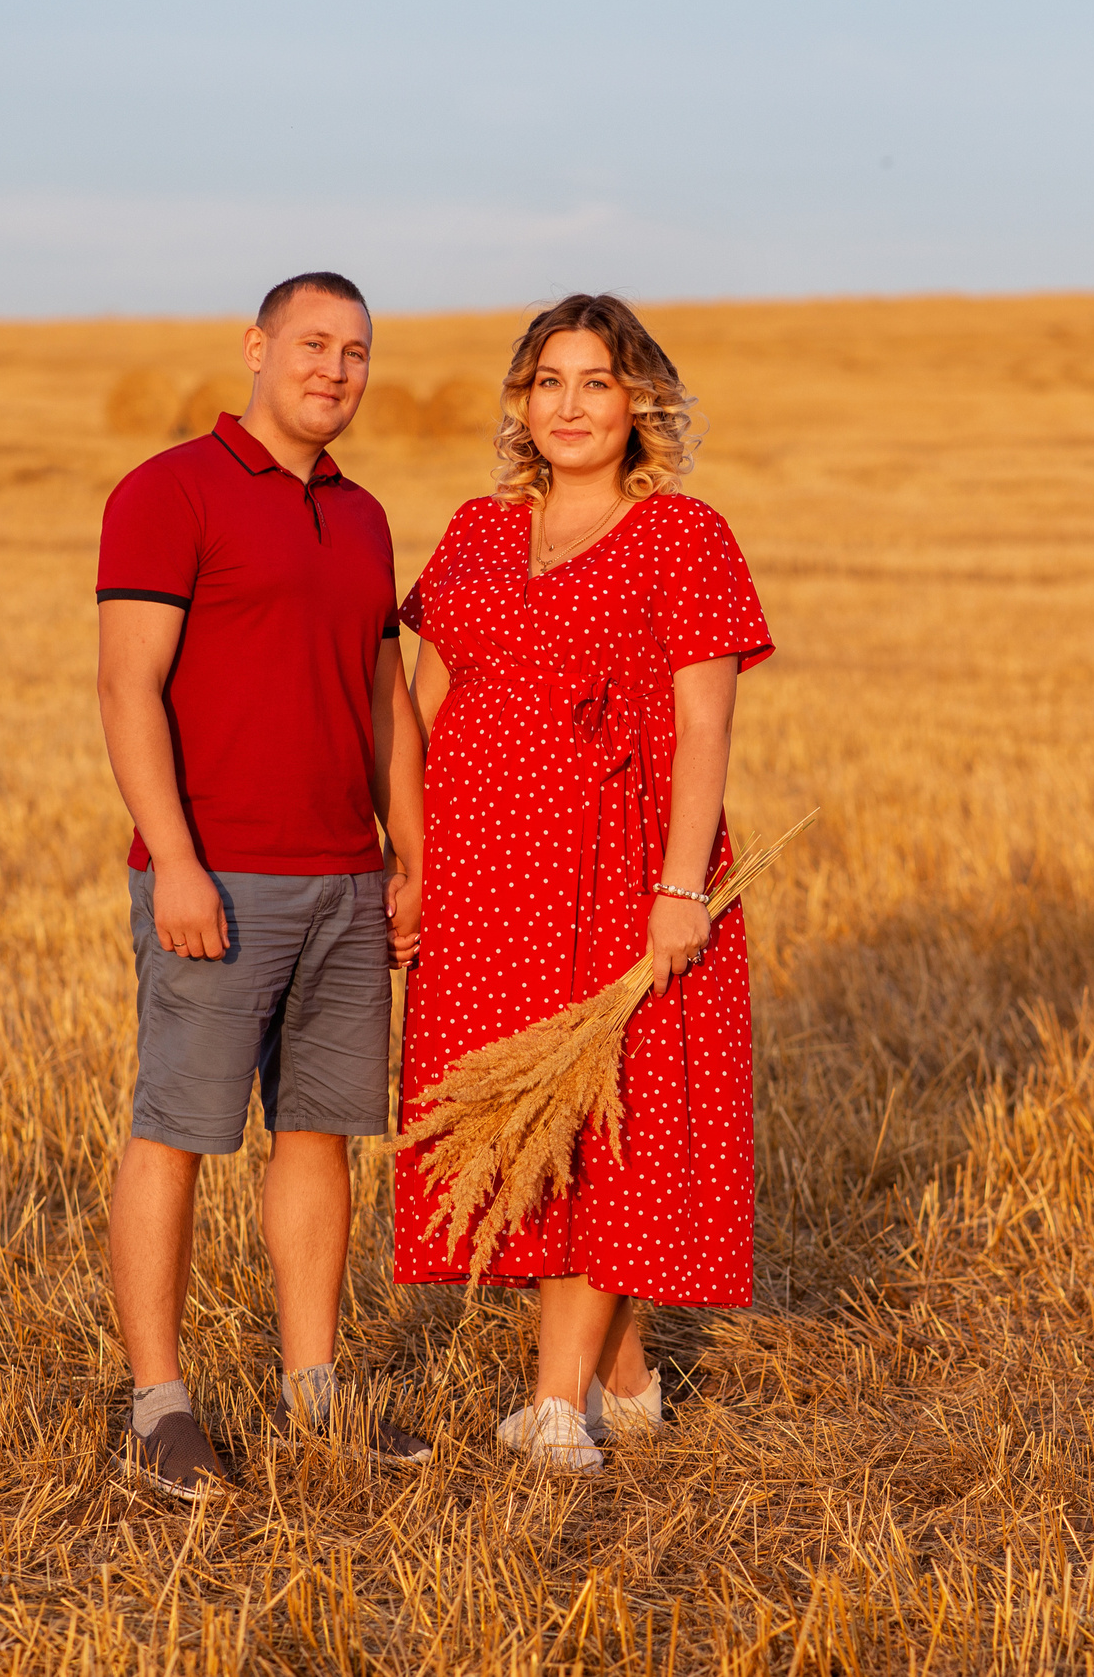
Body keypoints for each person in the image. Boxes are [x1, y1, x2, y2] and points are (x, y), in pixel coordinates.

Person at [392, 293, 774, 1471]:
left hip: (618, 868)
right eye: (548, 381)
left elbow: (704, 728)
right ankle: (627, 1378)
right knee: (524, 1121)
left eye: (594, 382)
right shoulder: (469, 534)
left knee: (614, 1124)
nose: (568, 405)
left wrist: (679, 889)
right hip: (482, 873)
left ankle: (556, 1417)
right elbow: (413, 708)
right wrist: (404, 862)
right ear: (520, 403)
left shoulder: (685, 536)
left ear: (637, 403)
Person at [95, 271, 432, 1498]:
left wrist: (412, 853)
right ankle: (161, 1404)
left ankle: (315, 1395)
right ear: (256, 347)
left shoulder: (364, 515)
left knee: (320, 1139)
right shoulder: (166, 491)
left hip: (346, 879)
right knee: (175, 1134)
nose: (333, 370)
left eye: (355, 352)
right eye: (311, 344)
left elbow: (386, 694)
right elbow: (127, 686)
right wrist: (174, 859)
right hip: (217, 876)